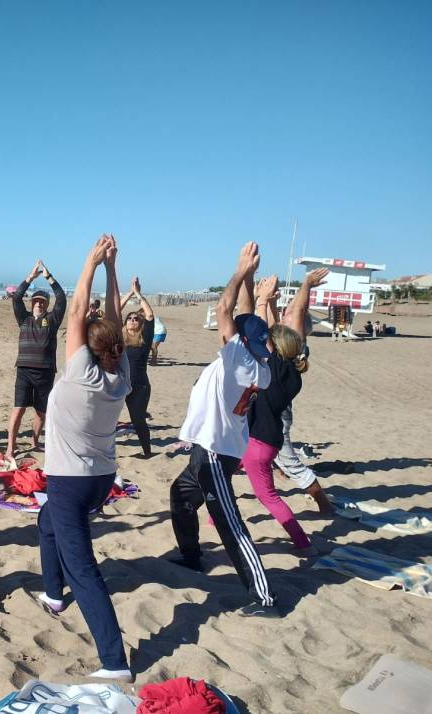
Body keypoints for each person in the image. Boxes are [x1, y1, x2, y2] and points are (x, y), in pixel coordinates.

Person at [38, 234, 134, 682]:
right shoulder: (121, 371)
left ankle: (114, 662)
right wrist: (112, 269)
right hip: (101, 478)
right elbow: (111, 319)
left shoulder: (81, 373)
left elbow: (77, 311)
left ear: (86, 352)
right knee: (47, 525)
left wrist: (91, 263)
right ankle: (53, 594)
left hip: (72, 481)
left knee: (83, 569)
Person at [168, 241, 278, 617]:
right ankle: (191, 557)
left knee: (230, 523)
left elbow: (224, 310)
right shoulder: (257, 362)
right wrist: (250, 282)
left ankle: (263, 597)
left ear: (240, 342)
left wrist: (239, 271)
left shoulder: (240, 361)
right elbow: (244, 317)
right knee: (181, 496)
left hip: (216, 452)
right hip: (215, 446)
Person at [242, 271, 328, 553]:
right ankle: (214, 517)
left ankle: (302, 540)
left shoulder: (272, 367)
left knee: (269, 496)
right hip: (265, 437)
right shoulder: (291, 370)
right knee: (221, 471)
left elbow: (266, 326)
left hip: (257, 441)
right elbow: (274, 329)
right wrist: (267, 301)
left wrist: (263, 300)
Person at [6, 259, 66, 458]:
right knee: (19, 409)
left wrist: (49, 277)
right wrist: (30, 278)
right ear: (31, 303)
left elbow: (61, 298)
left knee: (41, 411)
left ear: (47, 305)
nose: (39, 304)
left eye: (42, 301)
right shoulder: (24, 318)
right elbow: (16, 298)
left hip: (45, 372)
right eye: (36, 301)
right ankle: (11, 447)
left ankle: (34, 442)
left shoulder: (52, 320)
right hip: (24, 370)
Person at [120, 277, 156, 458]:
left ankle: (147, 452)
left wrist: (138, 294)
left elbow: (149, 316)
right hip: (118, 385)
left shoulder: (145, 340)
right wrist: (129, 293)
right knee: (107, 418)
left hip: (139, 386)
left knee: (138, 420)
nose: (133, 320)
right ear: (125, 323)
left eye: (136, 318)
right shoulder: (119, 339)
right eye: (129, 318)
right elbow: (115, 310)